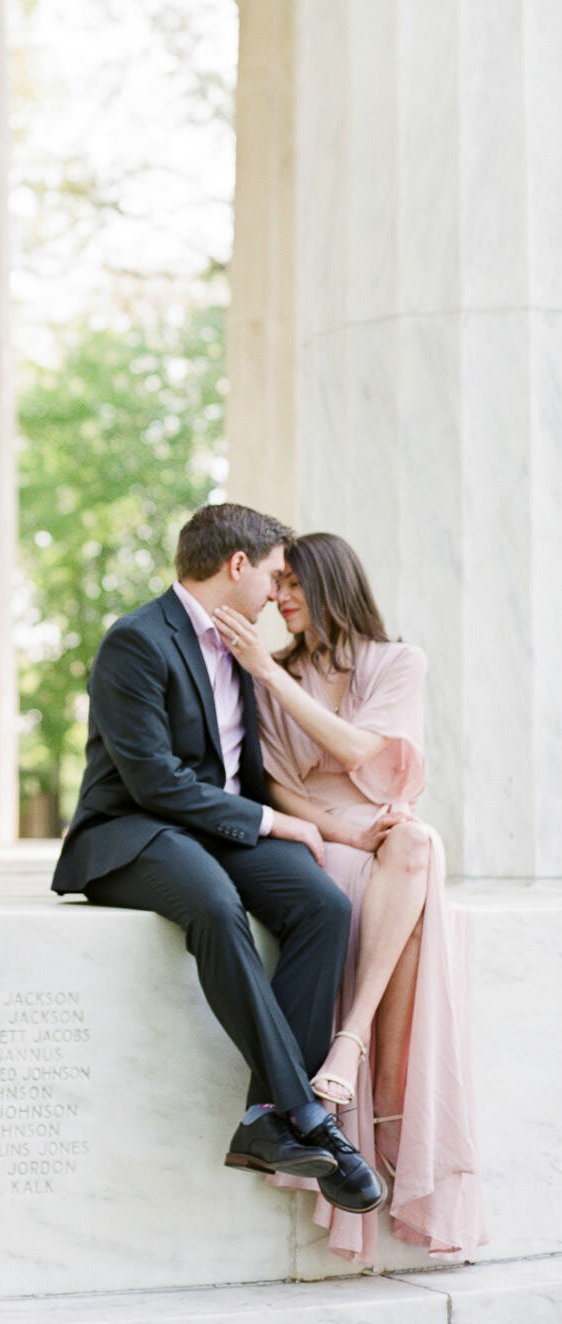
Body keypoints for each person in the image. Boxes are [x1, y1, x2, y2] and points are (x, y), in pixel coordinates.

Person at [52, 503, 386, 1215]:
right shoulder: (136, 641)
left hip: (217, 831)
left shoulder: (241, 647)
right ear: (237, 566)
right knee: (212, 902)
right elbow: (153, 781)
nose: (275, 591)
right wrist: (266, 821)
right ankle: (303, 1115)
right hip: (132, 832)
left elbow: (248, 766)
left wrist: (312, 824)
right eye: (271, 574)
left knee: (322, 905)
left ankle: (264, 1118)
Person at [213, 531, 486, 1264]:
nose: (280, 597)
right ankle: (342, 1084)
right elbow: (276, 787)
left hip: (381, 827)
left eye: (294, 584)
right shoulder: (273, 672)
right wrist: (343, 833)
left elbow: (362, 750)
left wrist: (271, 676)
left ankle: (348, 1041)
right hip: (317, 834)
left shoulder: (395, 662)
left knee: (417, 845)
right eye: (278, 585)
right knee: (379, 866)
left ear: (331, 583)